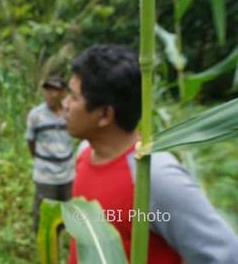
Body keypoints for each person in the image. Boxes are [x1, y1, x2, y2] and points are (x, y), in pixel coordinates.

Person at [62, 44, 238, 263]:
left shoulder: (154, 177)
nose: (64, 104)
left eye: (73, 97)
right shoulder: (84, 152)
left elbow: (226, 255)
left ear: (105, 114)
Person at [26, 76, 74, 232]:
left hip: (67, 173)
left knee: (65, 212)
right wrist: (41, 159)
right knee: (44, 214)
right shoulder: (36, 115)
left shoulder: (70, 114)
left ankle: (60, 238)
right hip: (45, 174)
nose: (50, 94)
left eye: (55, 90)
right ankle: (41, 243)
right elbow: (30, 141)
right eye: (48, 90)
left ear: (63, 93)